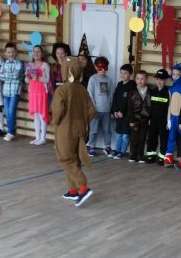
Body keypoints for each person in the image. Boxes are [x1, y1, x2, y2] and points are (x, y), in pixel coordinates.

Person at [52, 56, 97, 206]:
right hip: (80, 129)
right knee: (75, 158)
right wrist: (82, 121)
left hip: (65, 129)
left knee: (65, 158)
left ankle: (82, 187)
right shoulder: (83, 90)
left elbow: (58, 111)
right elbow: (92, 111)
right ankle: (72, 190)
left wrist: (56, 122)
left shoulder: (62, 90)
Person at [86, 56, 114, 156]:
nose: (102, 70)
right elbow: (90, 94)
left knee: (107, 130)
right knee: (93, 130)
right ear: (95, 67)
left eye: (105, 68)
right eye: (100, 67)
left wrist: (111, 108)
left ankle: (108, 147)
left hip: (106, 110)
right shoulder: (93, 79)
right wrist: (93, 108)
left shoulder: (109, 80)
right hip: (95, 110)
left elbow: (111, 95)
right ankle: (91, 147)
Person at [163, 63, 181, 167]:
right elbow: (169, 105)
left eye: (178, 75)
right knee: (171, 136)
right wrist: (168, 119)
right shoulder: (171, 89)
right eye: (173, 74)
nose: (175, 77)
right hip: (173, 117)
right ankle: (168, 156)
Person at [25, 45, 51, 146]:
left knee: (41, 114)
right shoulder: (30, 65)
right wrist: (27, 76)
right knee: (35, 114)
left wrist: (38, 78)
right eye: (34, 51)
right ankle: (37, 137)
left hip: (41, 91)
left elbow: (47, 80)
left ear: (42, 54)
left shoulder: (45, 65)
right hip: (32, 91)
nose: (36, 53)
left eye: (38, 51)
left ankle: (43, 137)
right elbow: (27, 80)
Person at [0, 42, 24, 142]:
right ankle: (10, 131)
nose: (11, 54)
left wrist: (6, 74)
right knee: (7, 112)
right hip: (5, 92)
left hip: (15, 91)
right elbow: (1, 76)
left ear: (16, 52)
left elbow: (16, 75)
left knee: (11, 111)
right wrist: (8, 74)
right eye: (9, 52)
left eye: (13, 52)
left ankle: (11, 132)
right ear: (5, 53)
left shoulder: (19, 63)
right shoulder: (4, 63)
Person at [146, 69, 171, 164]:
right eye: (157, 79)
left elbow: (170, 108)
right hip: (153, 119)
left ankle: (161, 156)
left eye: (162, 80)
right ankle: (150, 154)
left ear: (165, 80)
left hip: (163, 120)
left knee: (163, 139)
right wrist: (149, 118)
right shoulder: (152, 91)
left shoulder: (168, 92)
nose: (159, 82)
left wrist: (168, 121)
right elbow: (149, 106)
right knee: (151, 137)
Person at [110, 64, 135, 160]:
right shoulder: (119, 84)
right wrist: (115, 111)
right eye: (121, 73)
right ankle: (117, 150)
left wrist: (123, 112)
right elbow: (115, 99)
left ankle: (122, 151)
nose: (123, 75)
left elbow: (130, 102)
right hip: (118, 114)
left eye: (125, 73)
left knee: (125, 135)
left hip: (126, 115)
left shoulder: (132, 86)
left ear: (130, 74)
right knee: (119, 134)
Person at [128, 70, 151, 163]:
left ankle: (140, 155)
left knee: (142, 138)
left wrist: (150, 118)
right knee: (134, 138)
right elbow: (129, 107)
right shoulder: (132, 92)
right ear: (135, 79)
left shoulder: (150, 91)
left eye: (142, 79)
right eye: (138, 78)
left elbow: (152, 107)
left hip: (145, 119)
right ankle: (133, 155)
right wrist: (130, 120)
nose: (140, 81)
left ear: (146, 79)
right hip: (135, 119)